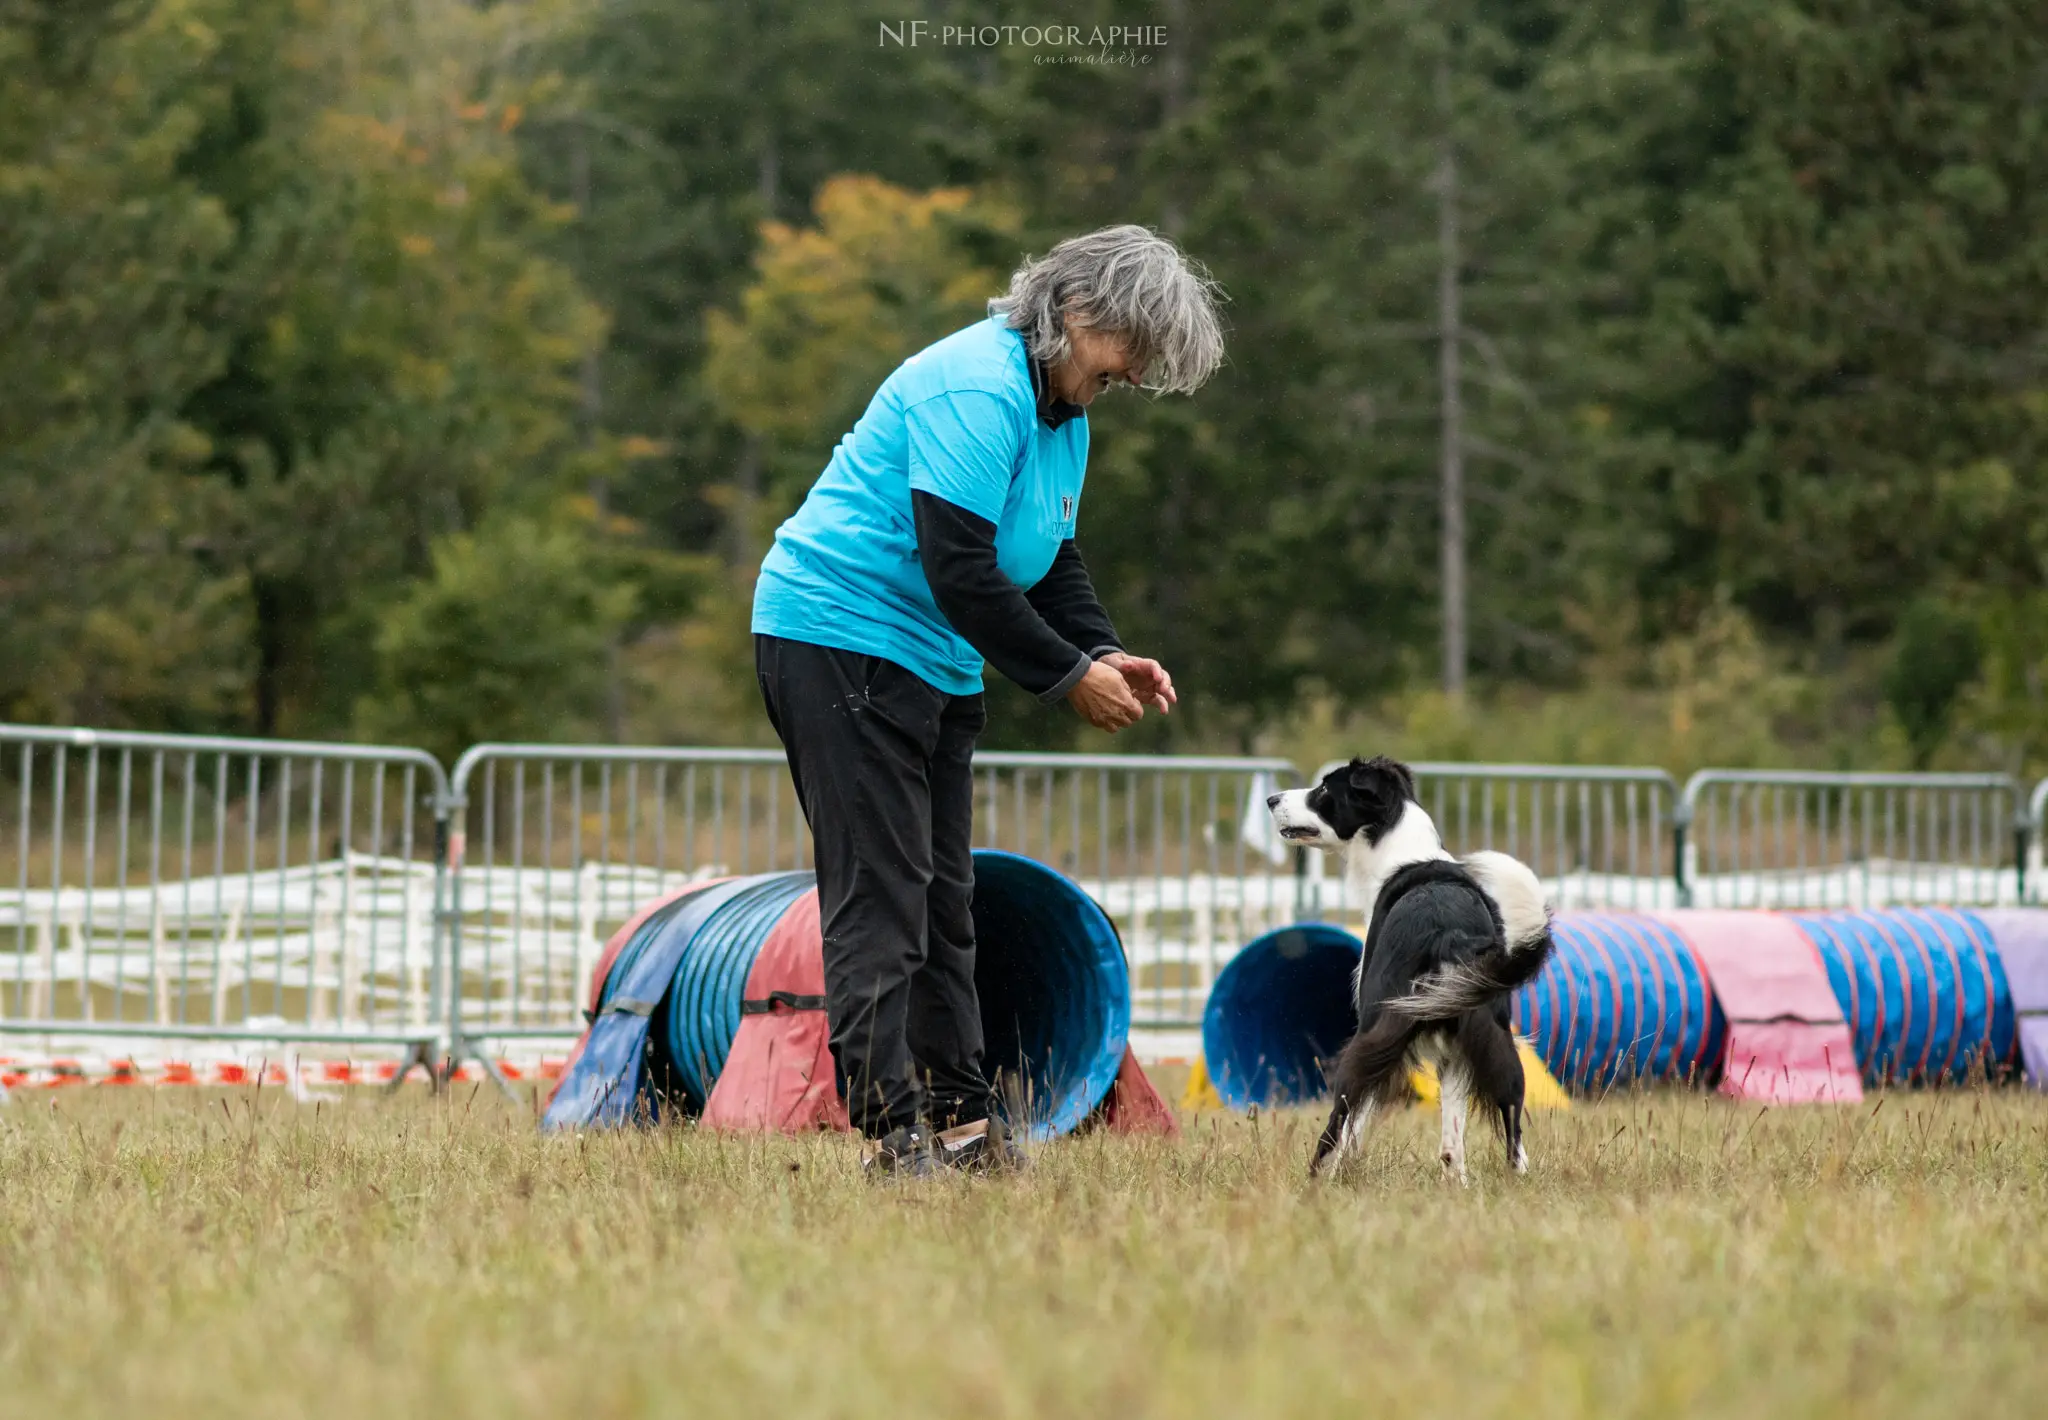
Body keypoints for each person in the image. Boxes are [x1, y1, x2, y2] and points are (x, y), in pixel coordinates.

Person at [751, 225, 1225, 1174]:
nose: (1135, 375)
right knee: (881, 899)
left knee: (946, 904)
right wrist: (1064, 679)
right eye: (1134, 348)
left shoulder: (1064, 420)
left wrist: (1103, 649)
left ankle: (965, 1126)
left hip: (935, 659)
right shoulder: (979, 386)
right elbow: (962, 569)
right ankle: (892, 1135)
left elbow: (1048, 559)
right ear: (1080, 312)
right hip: (837, 638)